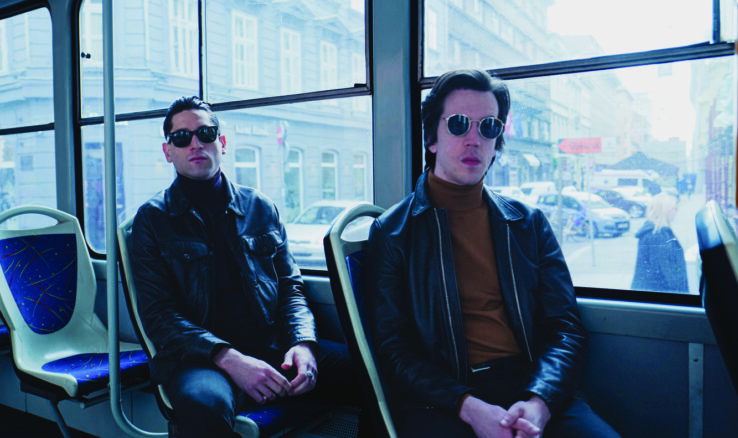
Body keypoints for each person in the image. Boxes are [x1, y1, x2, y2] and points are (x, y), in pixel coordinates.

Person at [363, 69, 620, 438]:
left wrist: (539, 402)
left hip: (533, 385)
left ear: (497, 141)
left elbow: (564, 326)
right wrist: (469, 407)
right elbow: (394, 350)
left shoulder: (528, 223)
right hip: (444, 397)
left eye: (488, 127)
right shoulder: (393, 233)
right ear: (431, 138)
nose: (474, 140)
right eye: (459, 124)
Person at [130, 96, 368, 437]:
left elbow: (290, 288)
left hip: (271, 344)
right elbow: (159, 315)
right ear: (168, 151)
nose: (196, 144)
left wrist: (303, 343)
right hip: (199, 358)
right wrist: (229, 358)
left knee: (375, 374)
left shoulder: (260, 207)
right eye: (182, 138)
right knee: (203, 406)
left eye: (206, 133)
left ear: (222, 143)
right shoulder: (153, 219)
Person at [631, 192, 688, 293]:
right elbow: (665, 273)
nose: (676, 211)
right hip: (659, 296)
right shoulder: (657, 236)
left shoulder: (656, 232)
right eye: (674, 208)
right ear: (665, 211)